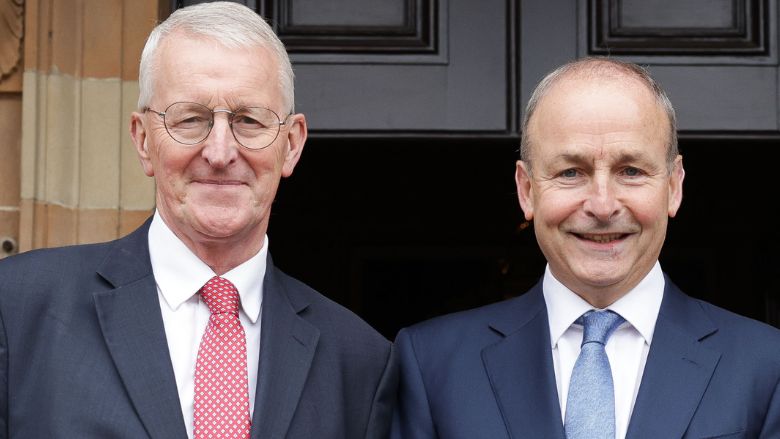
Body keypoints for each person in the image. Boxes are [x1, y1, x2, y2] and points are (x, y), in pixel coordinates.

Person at [0, 2, 396, 438]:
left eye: (249, 120)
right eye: (191, 119)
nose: (221, 152)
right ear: (143, 140)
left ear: (292, 144)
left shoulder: (359, 359)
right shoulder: (20, 307)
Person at [390, 58, 780, 438]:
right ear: (526, 190)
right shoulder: (433, 364)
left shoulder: (767, 365)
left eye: (631, 171)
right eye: (571, 172)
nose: (602, 205)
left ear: (674, 187)